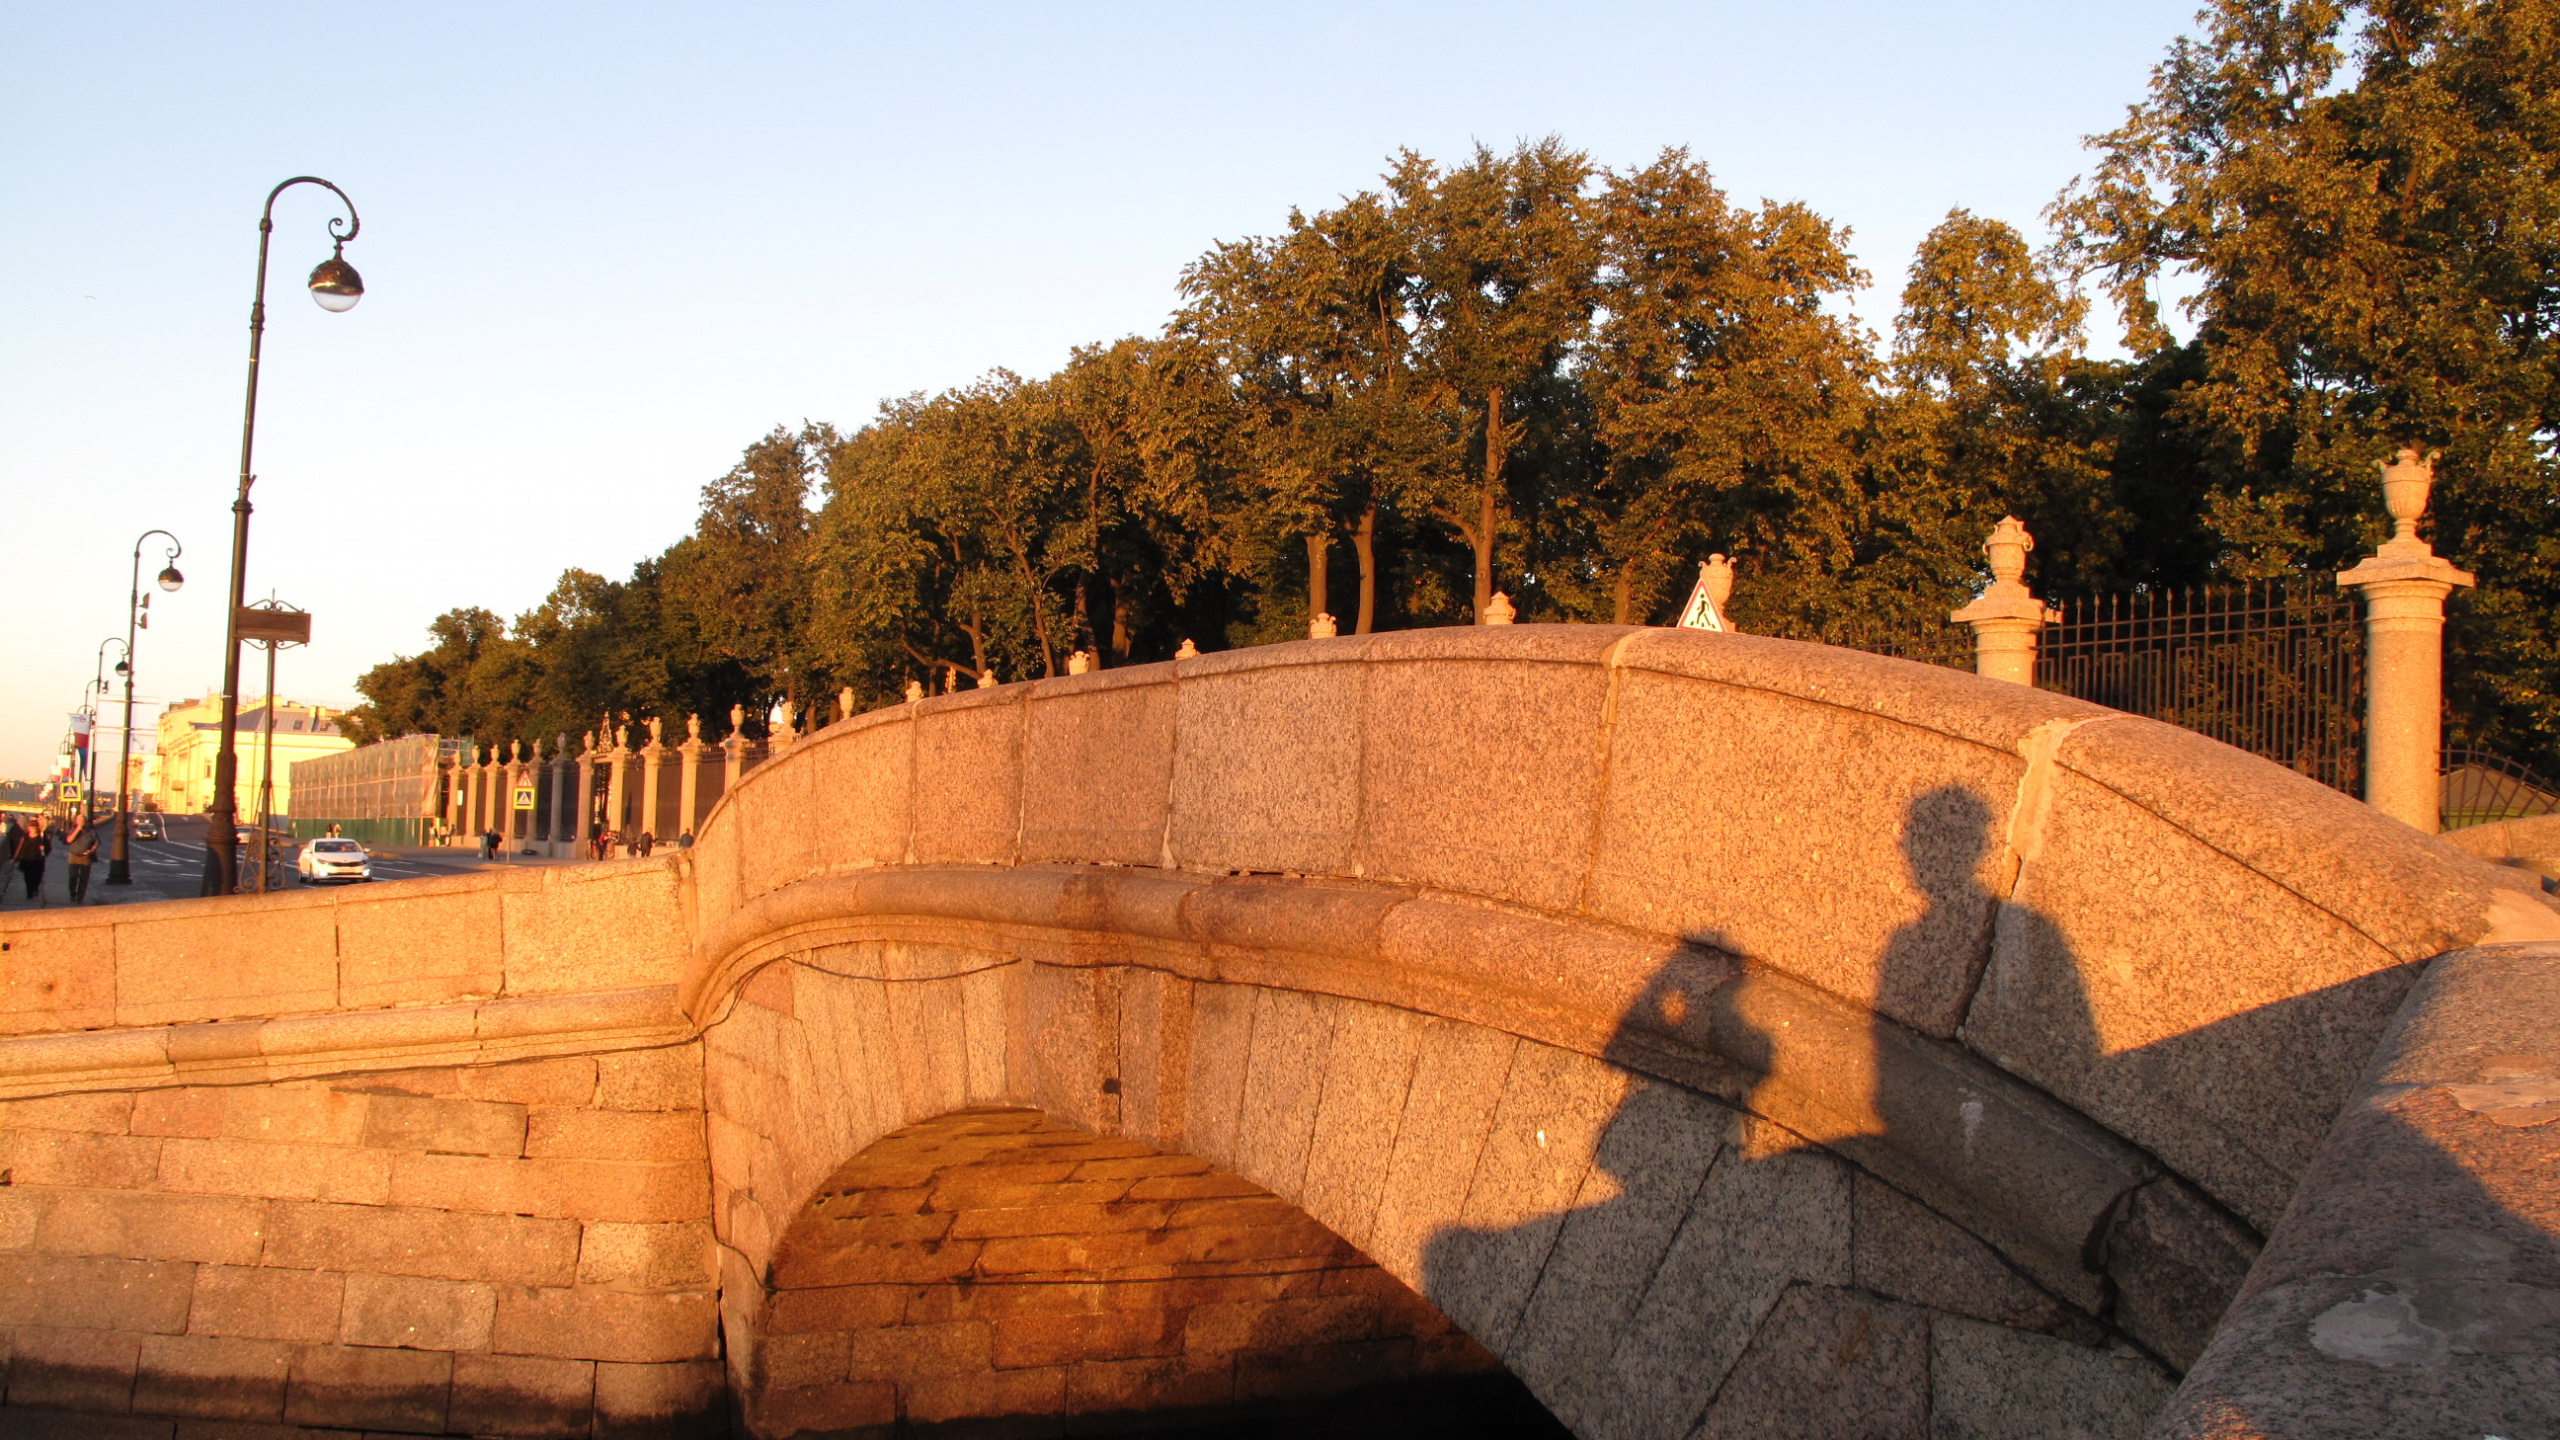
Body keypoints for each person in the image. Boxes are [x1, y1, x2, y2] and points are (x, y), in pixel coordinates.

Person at [12, 817, 52, 904]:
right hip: (26, 860)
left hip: (38, 861)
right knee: (27, 878)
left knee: (37, 878)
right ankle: (29, 892)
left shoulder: (42, 838)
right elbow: (19, 848)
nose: (32, 829)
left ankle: (35, 888)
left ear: (37, 828)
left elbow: (48, 849)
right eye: (31, 828)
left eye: (34, 828)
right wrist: (15, 858)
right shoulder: (24, 837)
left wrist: (44, 848)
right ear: (28, 828)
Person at [63, 814, 99, 904]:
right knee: (73, 877)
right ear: (76, 821)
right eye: (79, 820)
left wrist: (91, 851)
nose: (81, 822)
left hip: (85, 857)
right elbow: (69, 840)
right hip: (74, 856)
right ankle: (72, 894)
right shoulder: (73, 830)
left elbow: (96, 843)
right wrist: (78, 829)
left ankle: (80, 898)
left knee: (84, 878)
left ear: (85, 822)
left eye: (82, 821)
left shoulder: (91, 832)